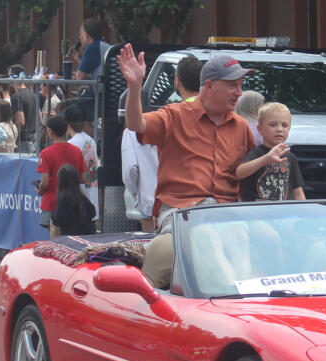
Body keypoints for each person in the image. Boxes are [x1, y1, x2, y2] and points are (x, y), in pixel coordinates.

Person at [118, 45, 255, 232]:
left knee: (268, 236)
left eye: (240, 85)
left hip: (226, 213)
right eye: (232, 86)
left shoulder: (241, 127)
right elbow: (136, 124)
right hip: (178, 211)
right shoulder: (174, 115)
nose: (239, 93)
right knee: (204, 233)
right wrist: (134, 86)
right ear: (209, 86)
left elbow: (251, 177)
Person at [237, 102, 305, 201]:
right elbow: (239, 173)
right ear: (260, 129)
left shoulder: (290, 157)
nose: (279, 129)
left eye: (285, 125)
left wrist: (302, 212)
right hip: (256, 212)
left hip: (283, 212)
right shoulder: (256, 153)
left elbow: (298, 191)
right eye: (273, 125)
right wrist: (266, 158)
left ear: (289, 128)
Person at [36, 115, 87, 238]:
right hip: (73, 202)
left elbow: (45, 182)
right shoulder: (77, 151)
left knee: (55, 242)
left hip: (52, 203)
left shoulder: (45, 153)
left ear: (50, 131)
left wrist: (39, 191)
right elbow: (83, 179)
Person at [64, 104, 99, 221]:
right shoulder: (91, 141)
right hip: (91, 191)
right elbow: (92, 171)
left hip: (76, 197)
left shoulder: (70, 144)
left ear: (67, 123)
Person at [51, 164, 96, 236]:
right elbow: (92, 212)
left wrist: (53, 214)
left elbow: (58, 219)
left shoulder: (63, 198)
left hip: (70, 239)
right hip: (86, 238)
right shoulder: (82, 197)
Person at [8, 64, 37, 153]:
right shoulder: (33, 95)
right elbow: (40, 119)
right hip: (33, 141)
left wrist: (14, 137)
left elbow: (20, 121)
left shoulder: (16, 97)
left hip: (22, 143)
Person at [76, 17, 111, 82]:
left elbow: (79, 77)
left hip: (103, 91)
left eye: (81, 34)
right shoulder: (106, 46)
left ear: (86, 35)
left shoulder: (91, 48)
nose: (80, 37)